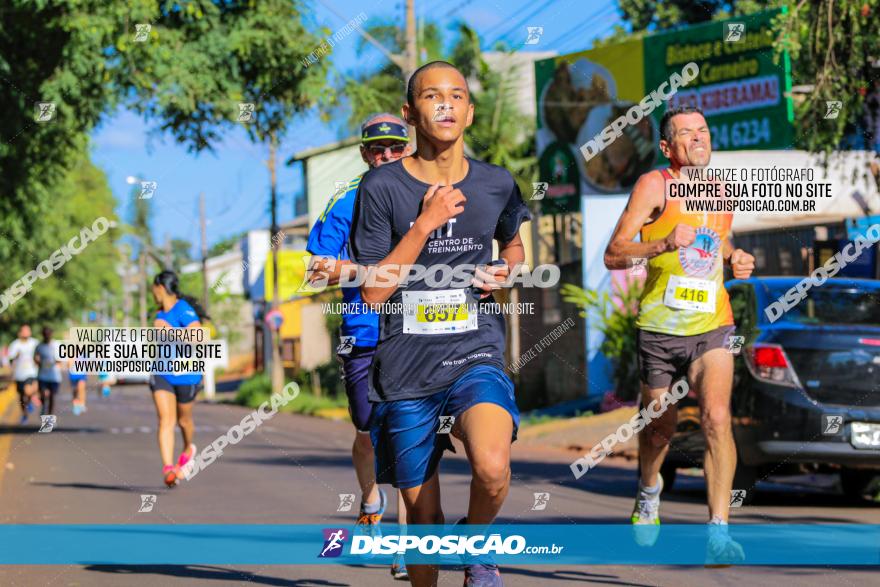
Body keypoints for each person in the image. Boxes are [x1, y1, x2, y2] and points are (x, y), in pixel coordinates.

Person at [350, 61, 530, 587]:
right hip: (404, 368)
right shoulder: (381, 187)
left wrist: (506, 270)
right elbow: (373, 290)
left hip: (476, 351)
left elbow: (514, 245)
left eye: (456, 95)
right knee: (423, 525)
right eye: (432, 95)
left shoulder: (497, 183)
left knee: (493, 468)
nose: (446, 104)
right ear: (411, 113)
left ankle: (476, 546)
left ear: (470, 113)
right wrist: (425, 223)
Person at [603, 105, 755, 561]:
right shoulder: (655, 186)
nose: (698, 138)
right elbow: (614, 254)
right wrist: (663, 243)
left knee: (716, 419)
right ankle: (649, 491)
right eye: (686, 133)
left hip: (713, 322)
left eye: (703, 131)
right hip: (660, 326)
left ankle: (719, 531)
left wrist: (735, 258)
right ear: (668, 147)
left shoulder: (723, 191)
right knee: (659, 430)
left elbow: (719, 241)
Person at [306, 112, 413, 581]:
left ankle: (409, 545)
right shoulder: (348, 197)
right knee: (368, 430)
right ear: (364, 154)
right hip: (363, 327)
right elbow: (316, 268)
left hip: (416, 331)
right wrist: (368, 273)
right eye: (377, 149)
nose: (386, 156)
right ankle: (371, 496)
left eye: (395, 147)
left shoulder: (428, 194)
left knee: (414, 436)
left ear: (407, 149)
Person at [149, 270, 206, 487]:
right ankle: (168, 468)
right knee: (166, 420)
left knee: (184, 421)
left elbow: (198, 338)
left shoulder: (184, 309)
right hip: (162, 372)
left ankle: (188, 447)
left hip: (187, 374)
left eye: (154, 289)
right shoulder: (159, 313)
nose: (153, 293)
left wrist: (170, 331)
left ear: (161, 288)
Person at [8, 325, 39, 424]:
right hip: (19, 373)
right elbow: (10, 360)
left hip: (31, 371)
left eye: (28, 330)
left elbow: (39, 354)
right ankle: (24, 414)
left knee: (29, 391)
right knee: (21, 396)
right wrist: (16, 357)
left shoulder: (34, 343)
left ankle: (29, 402)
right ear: (20, 333)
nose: (27, 332)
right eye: (24, 331)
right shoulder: (15, 344)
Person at [34, 327, 62, 416]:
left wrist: (48, 364)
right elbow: (35, 357)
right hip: (42, 375)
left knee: (52, 397)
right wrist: (38, 362)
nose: (47, 336)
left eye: (48, 334)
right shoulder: (39, 346)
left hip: (54, 376)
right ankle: (43, 406)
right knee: (42, 394)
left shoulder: (56, 345)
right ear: (42, 335)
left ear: (51, 334)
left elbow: (60, 359)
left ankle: (49, 416)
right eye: (45, 334)